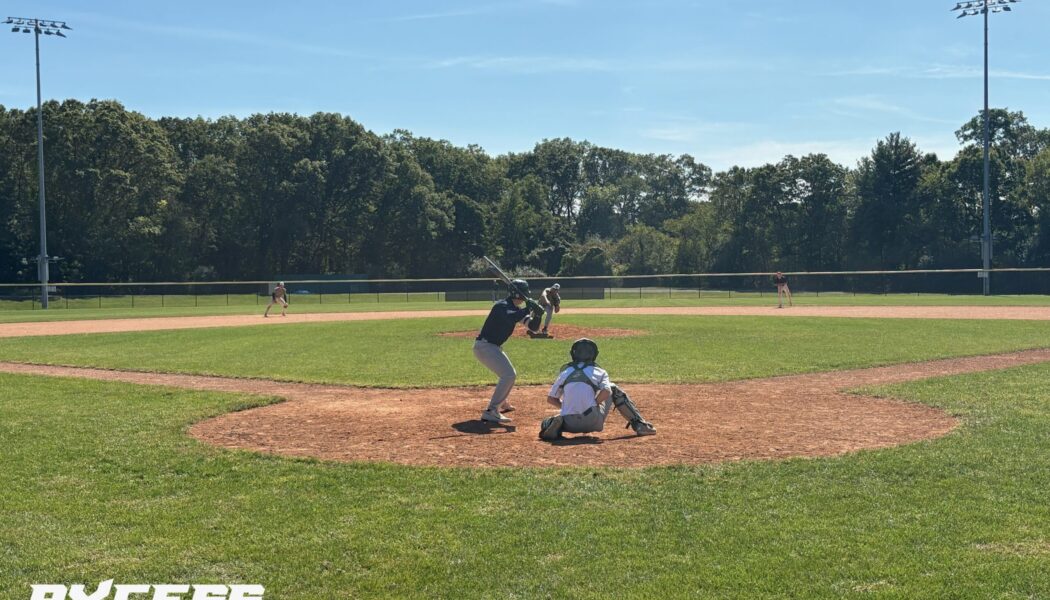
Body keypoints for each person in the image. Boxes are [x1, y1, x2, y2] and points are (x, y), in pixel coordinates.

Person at [539, 338, 656, 441]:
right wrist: (593, 404)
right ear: (594, 354)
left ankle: (553, 426)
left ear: (573, 354)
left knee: (549, 421)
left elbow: (551, 399)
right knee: (613, 388)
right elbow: (607, 391)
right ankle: (640, 425)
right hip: (593, 421)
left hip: (570, 425)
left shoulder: (565, 373)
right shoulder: (599, 371)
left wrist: (566, 407)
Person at [473, 279, 545, 424]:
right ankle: (491, 411)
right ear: (517, 294)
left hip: (492, 347)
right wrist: (529, 308)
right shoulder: (501, 306)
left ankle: (502, 402)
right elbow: (510, 317)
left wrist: (537, 314)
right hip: (485, 346)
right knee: (509, 374)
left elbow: (533, 327)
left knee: (506, 374)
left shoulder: (515, 309)